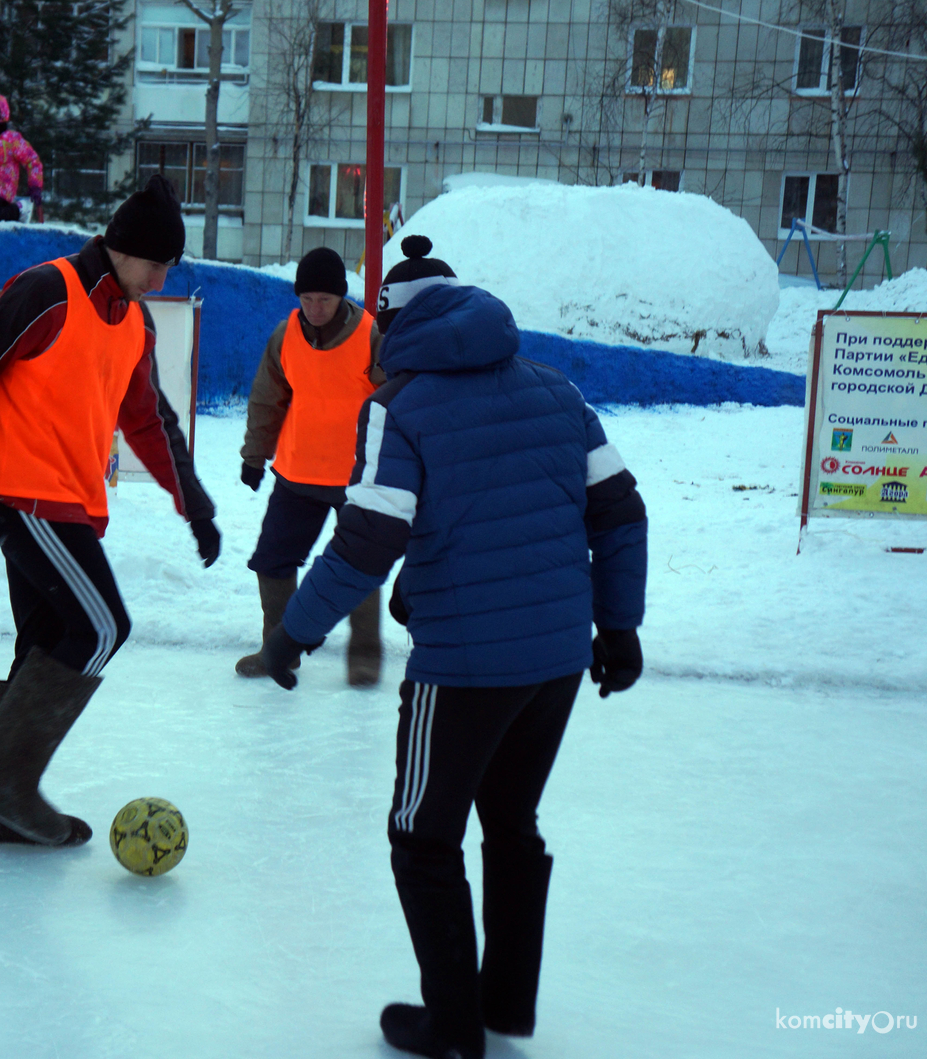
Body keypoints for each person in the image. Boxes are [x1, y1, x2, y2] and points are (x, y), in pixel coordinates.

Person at [260, 239, 649, 1058]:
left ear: (394, 324)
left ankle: (453, 1027)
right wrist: (618, 627)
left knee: (421, 836)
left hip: (465, 665)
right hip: (556, 660)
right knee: (512, 820)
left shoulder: (399, 406)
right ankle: (503, 1005)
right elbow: (618, 512)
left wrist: (295, 630)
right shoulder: (555, 388)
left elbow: (368, 540)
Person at [0, 174, 220, 848]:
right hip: (20, 493)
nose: (164, 275)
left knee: (45, 643)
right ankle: (4, 779)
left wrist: (194, 508)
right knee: (101, 626)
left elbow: (151, 423)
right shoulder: (47, 291)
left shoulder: (133, 322)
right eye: (158, 262)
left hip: (70, 504)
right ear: (123, 247)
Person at [235, 246, 387, 686]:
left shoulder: (371, 337)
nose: (316, 308)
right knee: (272, 560)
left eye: (325, 299)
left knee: (359, 565)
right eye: (308, 299)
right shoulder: (286, 336)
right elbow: (268, 399)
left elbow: (394, 402)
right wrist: (254, 456)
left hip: (358, 480)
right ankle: (278, 650)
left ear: (341, 296)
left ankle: (364, 656)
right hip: (297, 475)